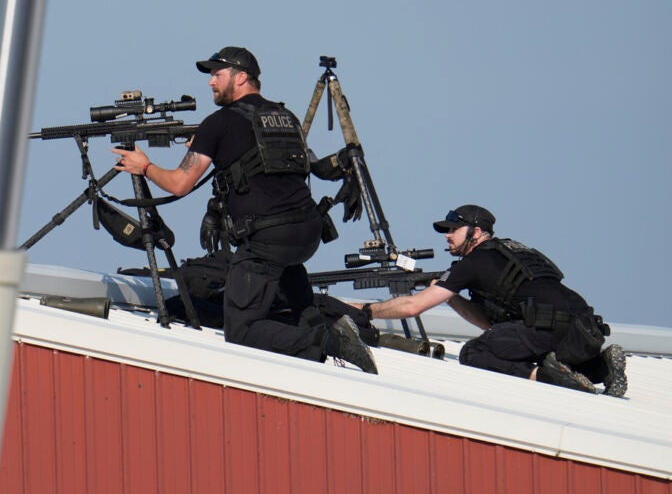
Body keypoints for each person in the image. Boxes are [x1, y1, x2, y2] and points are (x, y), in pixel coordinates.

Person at [112, 46, 377, 374]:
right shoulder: (285, 116)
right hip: (306, 232)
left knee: (241, 331)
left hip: (267, 239)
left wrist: (145, 166)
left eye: (216, 75)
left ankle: (331, 342)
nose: (210, 82)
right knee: (296, 299)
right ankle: (326, 329)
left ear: (240, 78)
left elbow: (180, 183)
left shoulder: (219, 123)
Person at [352, 204, 627, 395]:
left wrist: (366, 311)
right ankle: (601, 368)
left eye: (453, 229)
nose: (447, 236)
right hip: (583, 327)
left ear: (476, 232)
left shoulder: (474, 262)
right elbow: (490, 325)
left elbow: (413, 306)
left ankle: (548, 377)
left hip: (543, 327)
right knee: (543, 351)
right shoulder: (514, 252)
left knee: (475, 353)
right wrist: (451, 298)